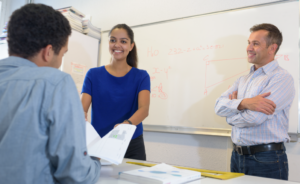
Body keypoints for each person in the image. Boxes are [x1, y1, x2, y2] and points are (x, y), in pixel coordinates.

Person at [0, 4, 101, 184]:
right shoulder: (56, 82)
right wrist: (95, 163)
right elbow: (76, 174)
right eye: (62, 54)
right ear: (48, 52)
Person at [215, 23, 294, 180]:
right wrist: (245, 103)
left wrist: (231, 113)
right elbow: (218, 106)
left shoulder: (281, 78)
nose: (249, 48)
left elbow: (255, 118)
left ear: (272, 48)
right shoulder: (243, 80)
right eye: (249, 42)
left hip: (266, 159)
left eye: (255, 43)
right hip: (237, 156)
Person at [81, 24, 150, 161]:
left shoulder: (141, 76)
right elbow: (81, 108)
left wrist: (127, 125)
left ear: (131, 46)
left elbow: (144, 109)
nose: (117, 45)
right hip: (98, 142)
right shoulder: (93, 74)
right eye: (113, 40)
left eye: (123, 41)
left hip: (131, 142)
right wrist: (80, 118)